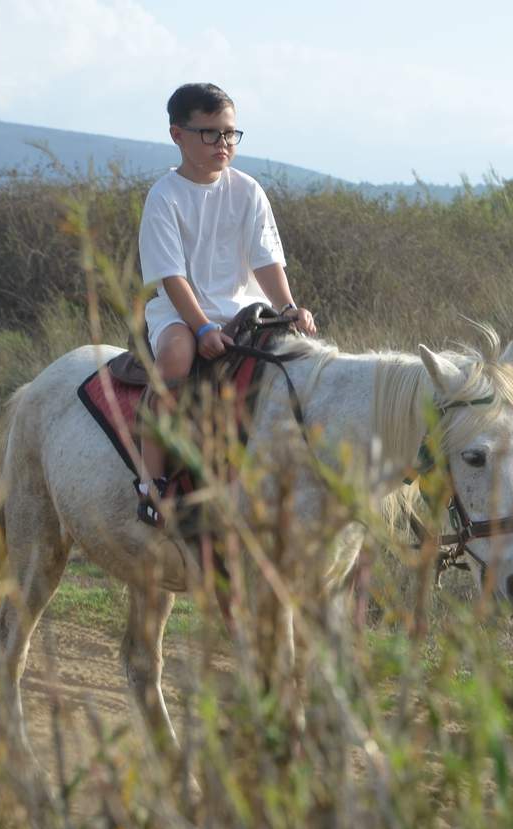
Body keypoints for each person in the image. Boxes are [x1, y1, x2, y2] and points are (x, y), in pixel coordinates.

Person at [135, 82, 316, 526]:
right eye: (211, 133)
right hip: (182, 313)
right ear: (178, 135)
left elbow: (267, 260)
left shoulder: (249, 189)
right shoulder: (164, 196)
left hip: (246, 311)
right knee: (176, 360)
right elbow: (171, 276)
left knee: (304, 360)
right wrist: (200, 329)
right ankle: (151, 481)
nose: (223, 144)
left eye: (230, 133)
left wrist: (290, 307)